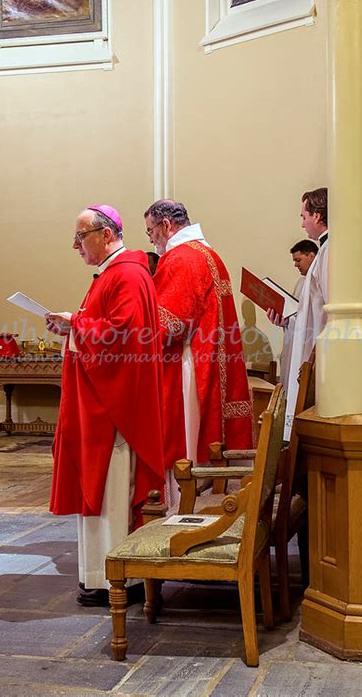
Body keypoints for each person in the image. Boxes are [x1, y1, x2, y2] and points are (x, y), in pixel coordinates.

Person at [46, 204, 165, 606]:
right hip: (101, 404)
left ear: (107, 234)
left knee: (111, 492)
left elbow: (123, 334)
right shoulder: (116, 274)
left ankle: (116, 579)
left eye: (81, 236)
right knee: (101, 490)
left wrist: (75, 324)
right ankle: (101, 575)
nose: (75, 245)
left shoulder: (127, 275)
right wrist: (74, 322)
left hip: (113, 412)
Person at [144, 199, 253, 504]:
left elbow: (170, 323)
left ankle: (184, 506)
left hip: (189, 363)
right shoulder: (209, 254)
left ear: (166, 225)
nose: (151, 238)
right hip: (210, 357)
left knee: (187, 445)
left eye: (151, 231)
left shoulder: (180, 258)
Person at [267, 188, 328, 439]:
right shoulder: (325, 251)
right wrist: (285, 321)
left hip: (315, 352)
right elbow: (308, 312)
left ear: (316, 216)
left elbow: (328, 307)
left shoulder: (329, 251)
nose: (302, 223)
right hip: (306, 347)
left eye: (303, 216)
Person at [279, 239, 319, 393]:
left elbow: (312, 319)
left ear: (311, 255)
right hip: (293, 342)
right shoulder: (301, 283)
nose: (295, 264)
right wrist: (283, 319)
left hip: (307, 346)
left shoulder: (318, 282)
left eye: (298, 260)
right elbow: (294, 314)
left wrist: (290, 319)